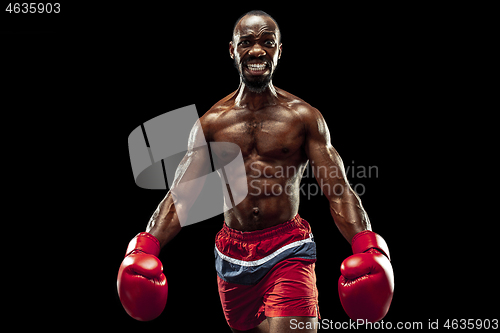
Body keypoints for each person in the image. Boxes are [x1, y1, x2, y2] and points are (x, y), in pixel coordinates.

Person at [117, 10, 394, 333]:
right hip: (233, 255)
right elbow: (182, 197)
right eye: (247, 42)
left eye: (267, 42)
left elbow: (338, 189)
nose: (257, 50)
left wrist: (367, 245)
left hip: (288, 249)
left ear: (279, 50)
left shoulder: (304, 118)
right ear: (233, 50)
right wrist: (145, 247)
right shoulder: (211, 124)